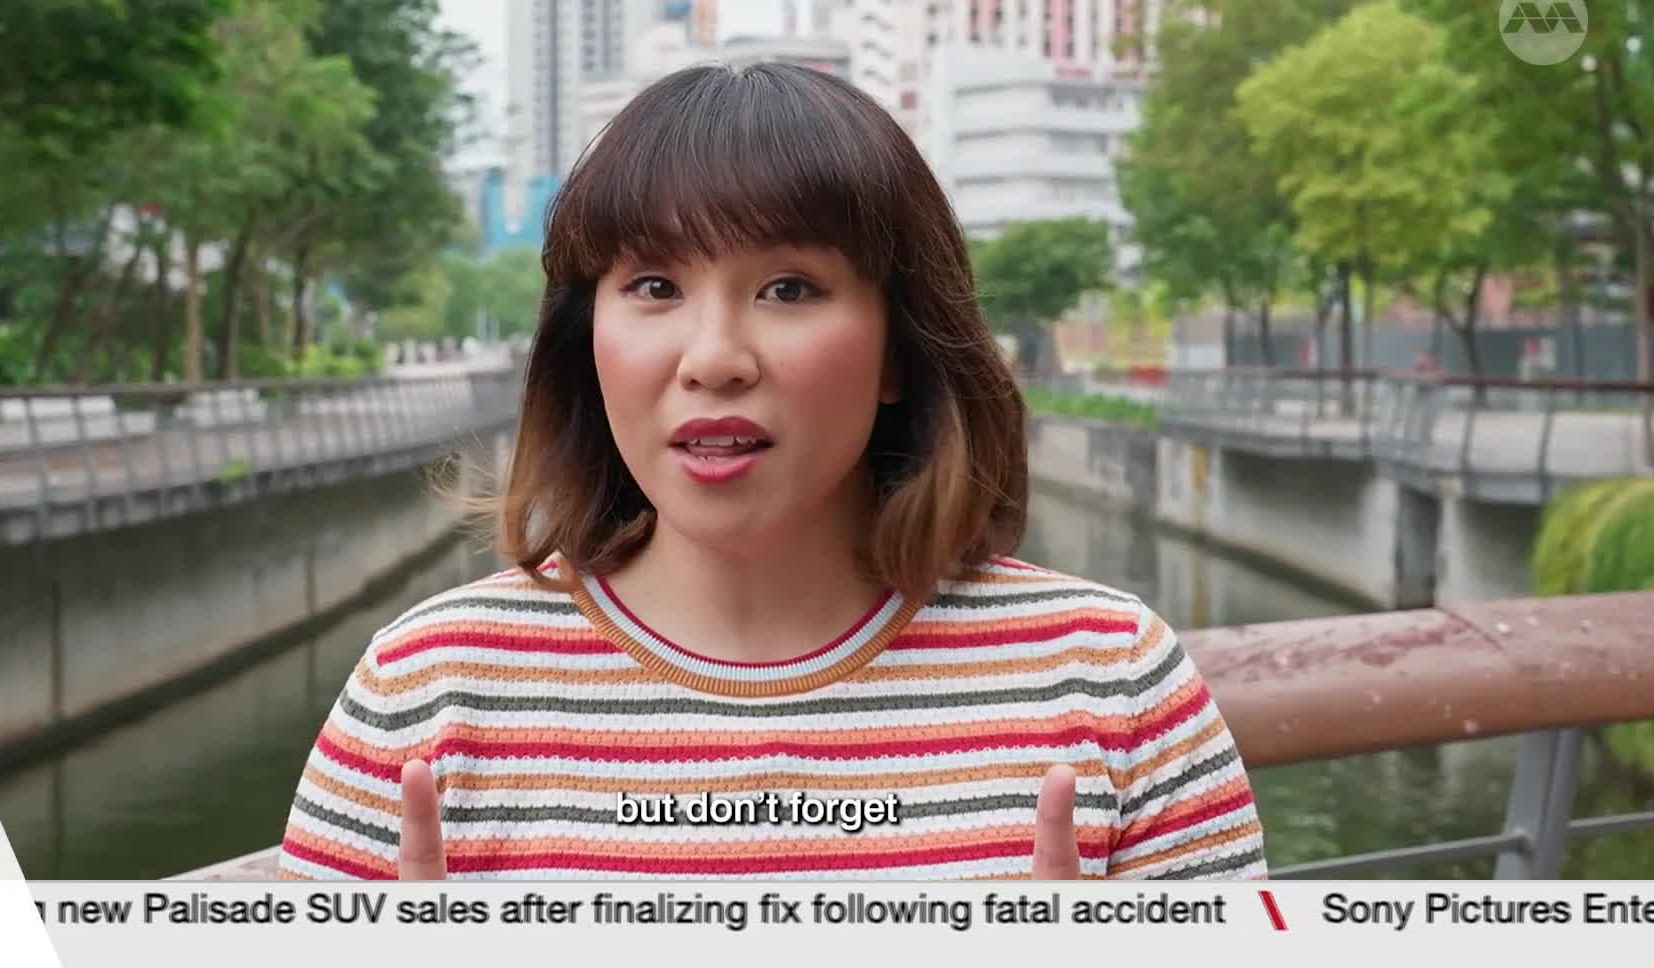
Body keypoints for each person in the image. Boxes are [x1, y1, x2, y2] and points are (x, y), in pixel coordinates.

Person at [275, 63, 1266, 881]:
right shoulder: (428, 698)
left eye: (789, 288)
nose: (714, 357)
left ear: (899, 351)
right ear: (586, 343)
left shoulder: (1113, 684)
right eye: (654, 286)